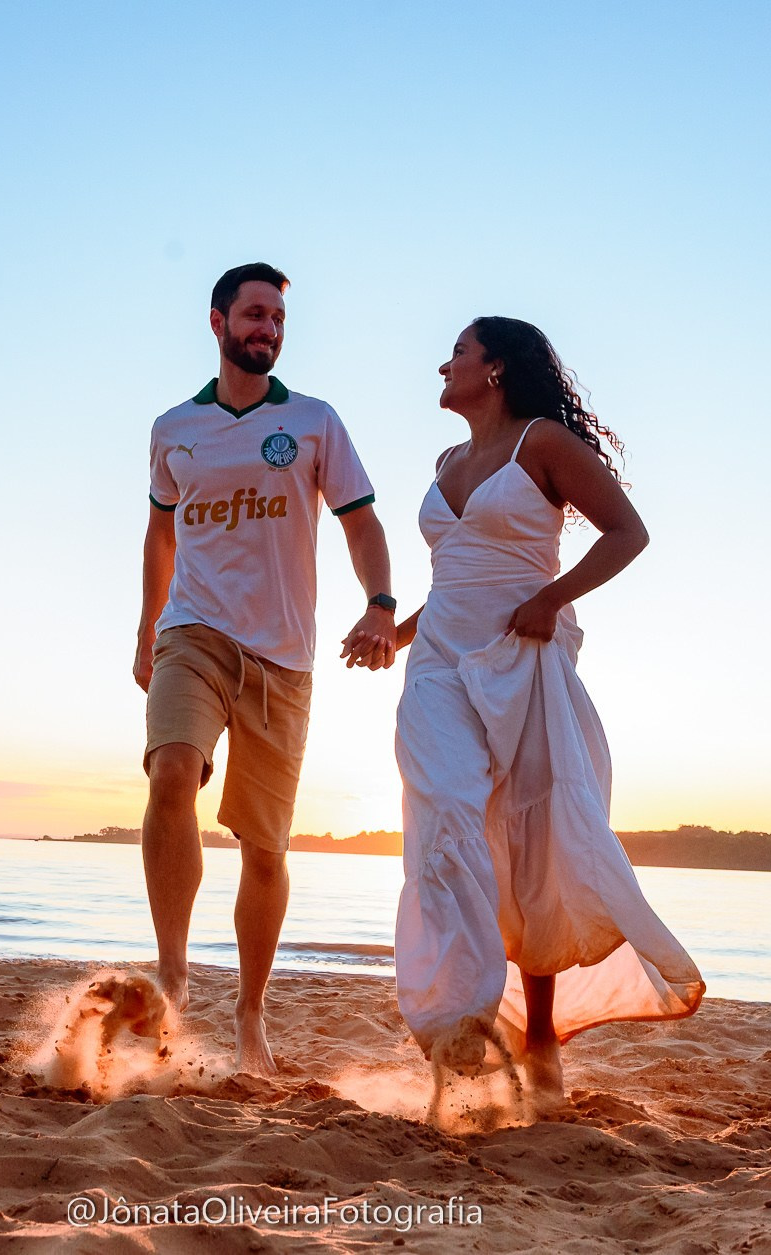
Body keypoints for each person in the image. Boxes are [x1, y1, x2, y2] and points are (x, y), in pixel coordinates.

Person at [391, 315, 705, 1113]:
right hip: (437, 665)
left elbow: (627, 533)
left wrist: (551, 598)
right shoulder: (447, 460)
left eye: (457, 351)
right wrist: (396, 632)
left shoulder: (543, 445)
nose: (444, 362)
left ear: (495, 367)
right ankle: (459, 1021)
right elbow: (455, 572)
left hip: (518, 658)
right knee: (449, 818)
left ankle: (534, 1035)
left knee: (530, 846)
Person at [135, 262, 398, 1074]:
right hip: (194, 632)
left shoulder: (315, 422)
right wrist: (148, 625)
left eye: (278, 318)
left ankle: (249, 1012)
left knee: (265, 847)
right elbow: (159, 533)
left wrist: (381, 602)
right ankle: (173, 975)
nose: (269, 330)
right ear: (217, 323)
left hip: (284, 655)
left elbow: (360, 523)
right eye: (254, 315)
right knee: (172, 771)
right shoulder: (174, 426)